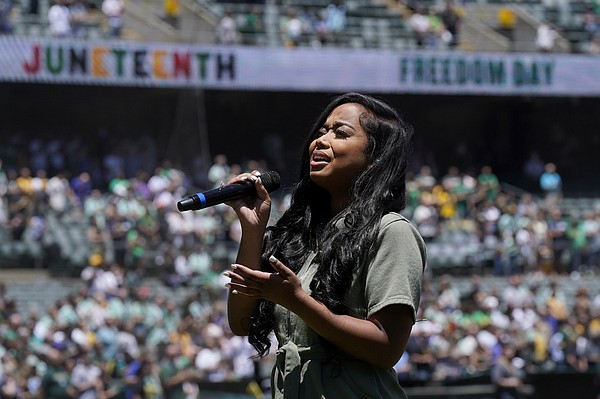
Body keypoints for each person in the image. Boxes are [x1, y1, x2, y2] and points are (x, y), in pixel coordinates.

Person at [223, 92, 427, 398]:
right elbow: (240, 323)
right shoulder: (300, 236)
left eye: (340, 133)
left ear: (375, 158)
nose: (321, 141)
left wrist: (298, 301)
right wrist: (253, 231)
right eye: (321, 132)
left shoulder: (391, 232)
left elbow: (386, 348)